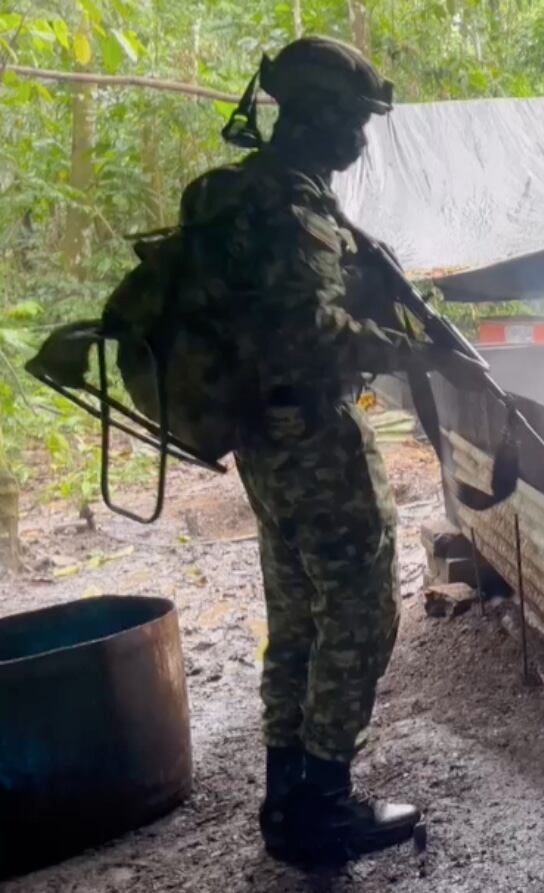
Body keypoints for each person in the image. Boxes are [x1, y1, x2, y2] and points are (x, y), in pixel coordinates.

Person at [178, 36, 464, 865]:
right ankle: (326, 804)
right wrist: (409, 350)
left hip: (266, 440)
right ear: (319, 118)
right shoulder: (290, 209)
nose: (362, 140)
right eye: (354, 122)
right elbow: (311, 334)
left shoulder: (249, 196)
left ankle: (287, 801)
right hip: (312, 433)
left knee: (299, 612)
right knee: (363, 608)